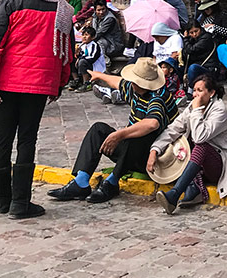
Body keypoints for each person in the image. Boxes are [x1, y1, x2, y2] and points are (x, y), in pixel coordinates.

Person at [0, 0, 73, 219]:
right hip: (39, 85)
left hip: (6, 83)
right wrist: (60, 83)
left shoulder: (13, 2)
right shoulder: (62, 9)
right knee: (27, 140)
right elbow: (67, 52)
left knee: (3, 138)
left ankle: (1, 201)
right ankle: (21, 203)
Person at [48, 56, 178, 204]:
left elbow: (152, 124)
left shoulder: (157, 97)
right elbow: (118, 83)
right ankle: (81, 182)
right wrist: (99, 76)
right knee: (98, 130)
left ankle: (112, 182)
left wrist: (119, 134)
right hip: (130, 154)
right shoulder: (136, 89)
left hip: (153, 158)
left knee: (135, 136)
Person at [149, 73, 227, 213]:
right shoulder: (193, 108)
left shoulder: (219, 110)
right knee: (181, 142)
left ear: (211, 93)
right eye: (194, 90)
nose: (195, 95)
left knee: (200, 145)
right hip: (199, 165)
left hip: (219, 163)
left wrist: (197, 110)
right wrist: (154, 150)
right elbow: (174, 129)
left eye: (200, 90)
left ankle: (175, 194)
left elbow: (200, 137)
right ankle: (193, 188)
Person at [70, 25, 106, 91]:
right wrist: (78, 55)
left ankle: (86, 83)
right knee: (72, 60)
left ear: (92, 37)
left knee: (82, 62)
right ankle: (76, 80)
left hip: (94, 65)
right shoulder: (83, 45)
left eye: (86, 35)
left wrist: (80, 59)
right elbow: (82, 55)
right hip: (86, 63)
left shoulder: (94, 45)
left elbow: (92, 57)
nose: (84, 37)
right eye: (83, 35)